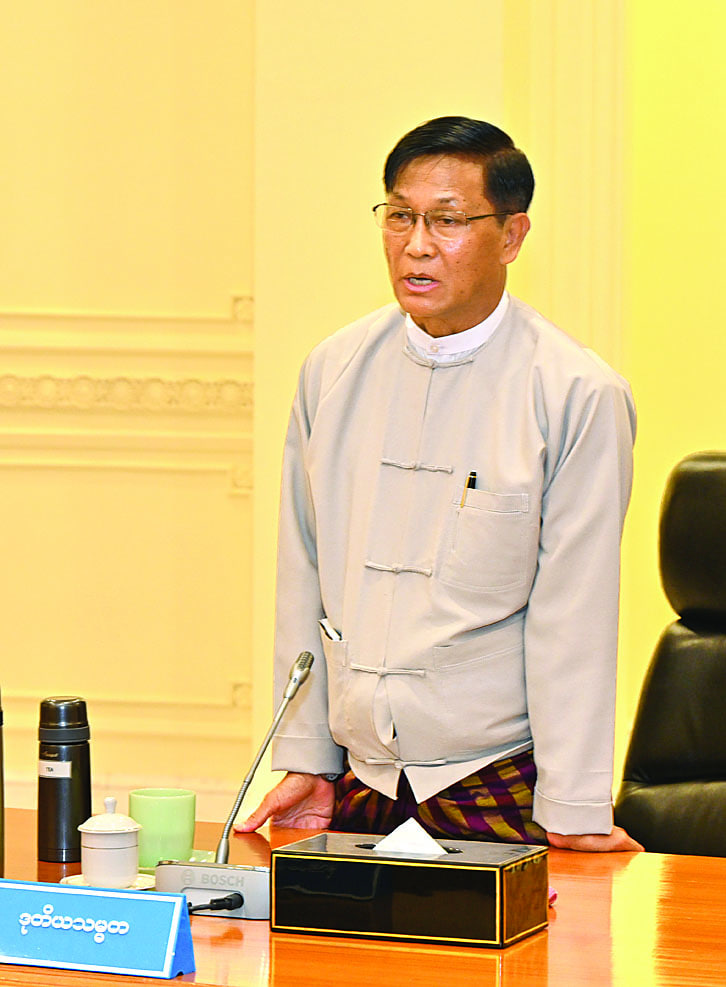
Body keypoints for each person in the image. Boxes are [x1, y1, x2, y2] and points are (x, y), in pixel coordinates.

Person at [237, 116, 643, 851]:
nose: (417, 245)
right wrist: (306, 758)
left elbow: (575, 619)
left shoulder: (576, 393)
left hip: (497, 777)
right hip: (359, 777)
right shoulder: (333, 370)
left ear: (512, 235)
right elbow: (302, 573)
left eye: (448, 221)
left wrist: (574, 807)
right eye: (400, 216)